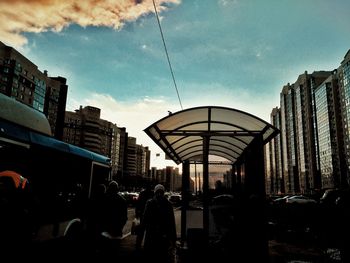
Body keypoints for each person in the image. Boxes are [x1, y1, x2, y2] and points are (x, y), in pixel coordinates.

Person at [142, 184, 177, 263]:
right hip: (154, 235)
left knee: (160, 256)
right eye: (158, 192)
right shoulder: (151, 203)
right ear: (155, 193)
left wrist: (173, 239)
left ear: (163, 193)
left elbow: (171, 222)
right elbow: (145, 219)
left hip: (160, 236)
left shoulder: (167, 205)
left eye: (161, 192)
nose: (159, 194)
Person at [134, 182, 154, 249]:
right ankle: (146, 245)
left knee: (141, 232)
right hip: (149, 216)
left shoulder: (142, 193)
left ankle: (138, 245)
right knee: (148, 232)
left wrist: (137, 214)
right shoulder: (152, 194)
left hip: (143, 215)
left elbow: (138, 204)